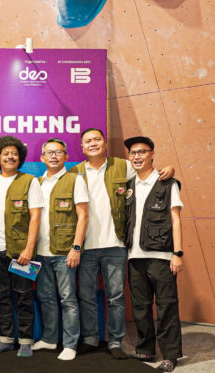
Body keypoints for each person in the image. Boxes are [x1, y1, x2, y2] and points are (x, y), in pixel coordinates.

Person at [69, 128, 174, 359]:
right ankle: (90, 338)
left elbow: (149, 174)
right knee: (86, 297)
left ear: (105, 143)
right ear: (82, 147)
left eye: (97, 139)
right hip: (86, 247)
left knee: (116, 297)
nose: (93, 143)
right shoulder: (75, 172)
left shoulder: (123, 166)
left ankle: (115, 341)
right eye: (88, 141)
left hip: (116, 245)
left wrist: (169, 169)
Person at [123, 136, 184, 372]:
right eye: (133, 153)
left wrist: (177, 253)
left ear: (152, 154)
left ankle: (171, 355)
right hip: (134, 256)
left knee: (167, 306)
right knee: (140, 306)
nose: (137, 156)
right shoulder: (128, 185)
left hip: (162, 256)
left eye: (142, 151)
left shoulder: (167, 184)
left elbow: (176, 220)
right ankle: (145, 349)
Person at [0, 136, 43, 357]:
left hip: (21, 253)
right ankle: (6, 340)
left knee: (24, 296)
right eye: (6, 153)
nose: (10, 157)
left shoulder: (30, 181)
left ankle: (26, 341)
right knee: (2, 296)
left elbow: (35, 217)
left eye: (14, 154)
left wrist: (29, 248)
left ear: (20, 158)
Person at [32, 138, 89, 361]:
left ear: (66, 156)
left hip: (64, 252)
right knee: (45, 297)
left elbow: (83, 216)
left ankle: (70, 344)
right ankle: (49, 338)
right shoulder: (37, 182)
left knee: (68, 299)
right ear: (42, 157)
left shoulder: (75, 180)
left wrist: (76, 247)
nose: (54, 156)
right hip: (40, 252)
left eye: (58, 152)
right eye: (49, 152)